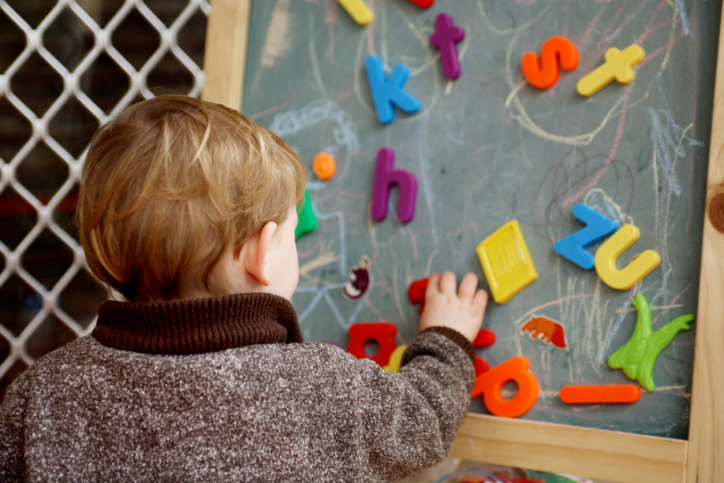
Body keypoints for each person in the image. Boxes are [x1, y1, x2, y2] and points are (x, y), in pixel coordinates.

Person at [0, 95, 488, 482]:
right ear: (263, 253)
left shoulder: (42, 390)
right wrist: (446, 338)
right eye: (291, 236)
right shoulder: (324, 388)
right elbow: (423, 423)